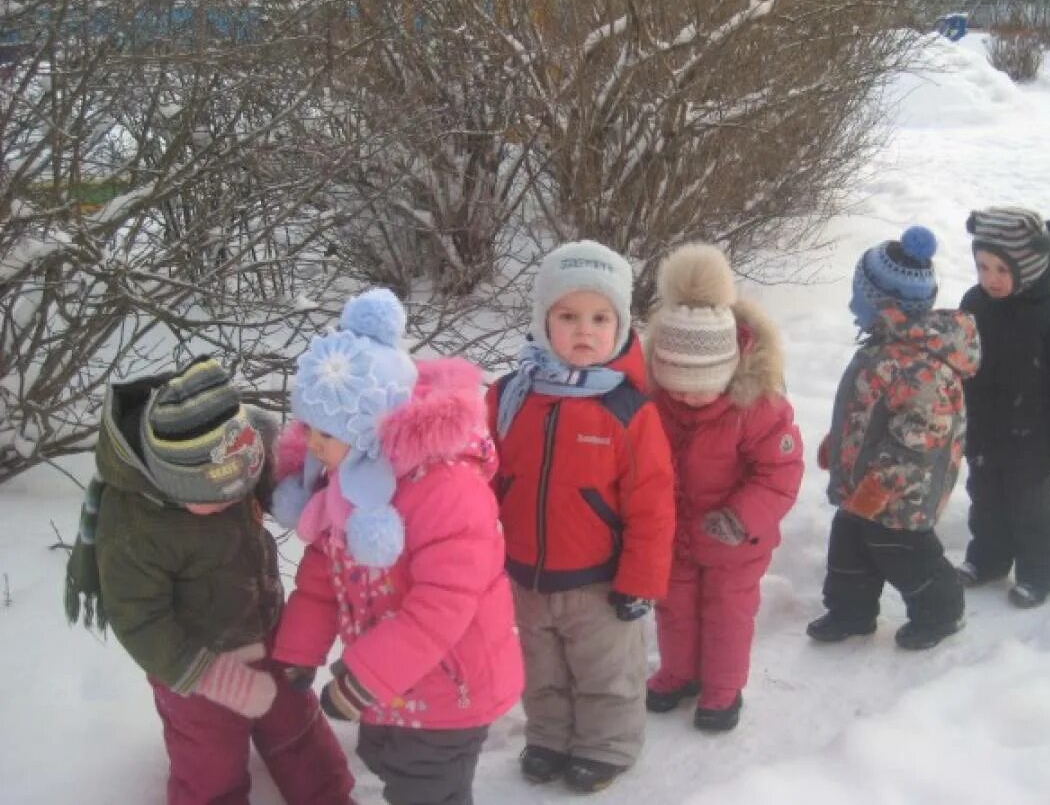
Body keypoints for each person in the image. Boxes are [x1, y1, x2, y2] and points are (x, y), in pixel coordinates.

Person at [270, 288, 523, 805]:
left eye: (325, 431)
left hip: (451, 690)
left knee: (424, 790)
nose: (312, 443)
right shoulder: (344, 485)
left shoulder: (447, 489)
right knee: (388, 763)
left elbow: (441, 607)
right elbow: (322, 578)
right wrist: (300, 650)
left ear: (366, 427)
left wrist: (364, 678)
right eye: (308, 427)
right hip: (388, 685)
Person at [63, 356, 354, 805]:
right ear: (174, 487)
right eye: (220, 497)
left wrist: (316, 493)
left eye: (244, 484)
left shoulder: (228, 459)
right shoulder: (135, 528)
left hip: (265, 628)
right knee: (208, 758)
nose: (237, 497)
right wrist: (210, 676)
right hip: (194, 665)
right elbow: (138, 619)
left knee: (294, 723)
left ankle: (327, 794)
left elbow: (274, 484)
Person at [486, 240, 676, 793]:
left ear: (619, 326)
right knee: (540, 668)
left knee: (604, 674)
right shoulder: (510, 396)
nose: (583, 331)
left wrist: (640, 581)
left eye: (599, 318)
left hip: (599, 579)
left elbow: (653, 505)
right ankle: (547, 737)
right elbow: (483, 477)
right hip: (525, 572)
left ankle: (605, 745)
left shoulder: (627, 410)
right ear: (543, 321)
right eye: (568, 316)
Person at [641, 244, 804, 733]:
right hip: (674, 538)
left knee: (727, 615)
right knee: (674, 609)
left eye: (703, 384)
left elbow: (780, 472)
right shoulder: (657, 406)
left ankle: (722, 688)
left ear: (731, 369)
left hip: (735, 542)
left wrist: (740, 518)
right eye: (677, 383)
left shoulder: (758, 409)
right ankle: (678, 673)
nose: (690, 395)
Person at [807, 226, 979, 651]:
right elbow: (868, 408)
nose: (852, 306)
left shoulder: (922, 369)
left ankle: (941, 613)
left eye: (859, 299)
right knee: (848, 545)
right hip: (862, 483)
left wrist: (881, 485)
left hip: (903, 494)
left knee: (903, 553)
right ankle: (851, 613)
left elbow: (919, 441)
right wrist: (842, 440)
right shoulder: (886, 348)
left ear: (886, 308)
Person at [956, 208, 1050, 607]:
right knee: (985, 499)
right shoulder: (975, 302)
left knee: (1032, 510)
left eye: (1002, 269)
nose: (991, 279)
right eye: (983, 266)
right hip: (984, 427)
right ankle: (988, 559)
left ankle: (1042, 573)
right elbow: (961, 361)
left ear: (1030, 265)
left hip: (1034, 436)